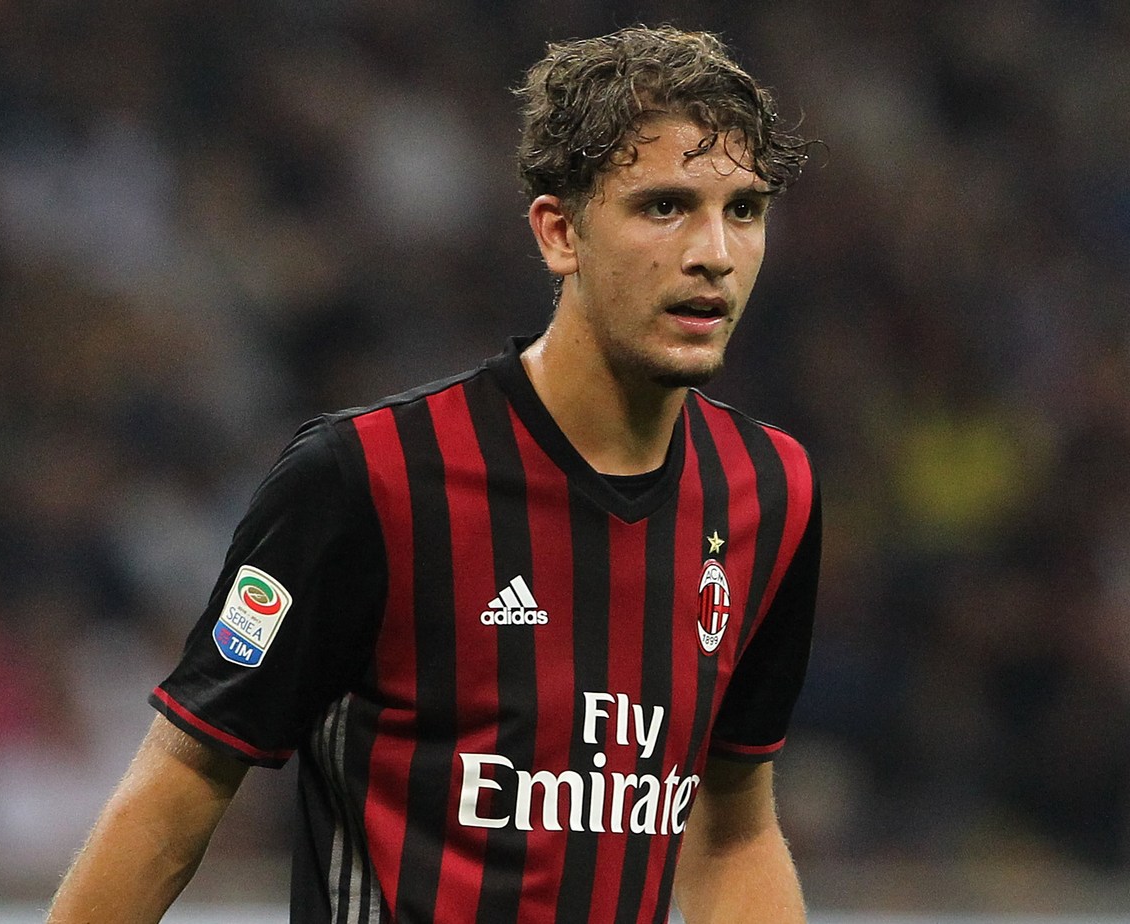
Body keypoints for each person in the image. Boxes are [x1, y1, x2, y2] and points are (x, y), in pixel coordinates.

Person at [48, 23, 820, 924]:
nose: (714, 253)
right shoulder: (369, 477)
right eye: (664, 207)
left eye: (743, 210)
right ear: (559, 232)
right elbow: (177, 793)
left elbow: (732, 830)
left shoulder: (769, 490)